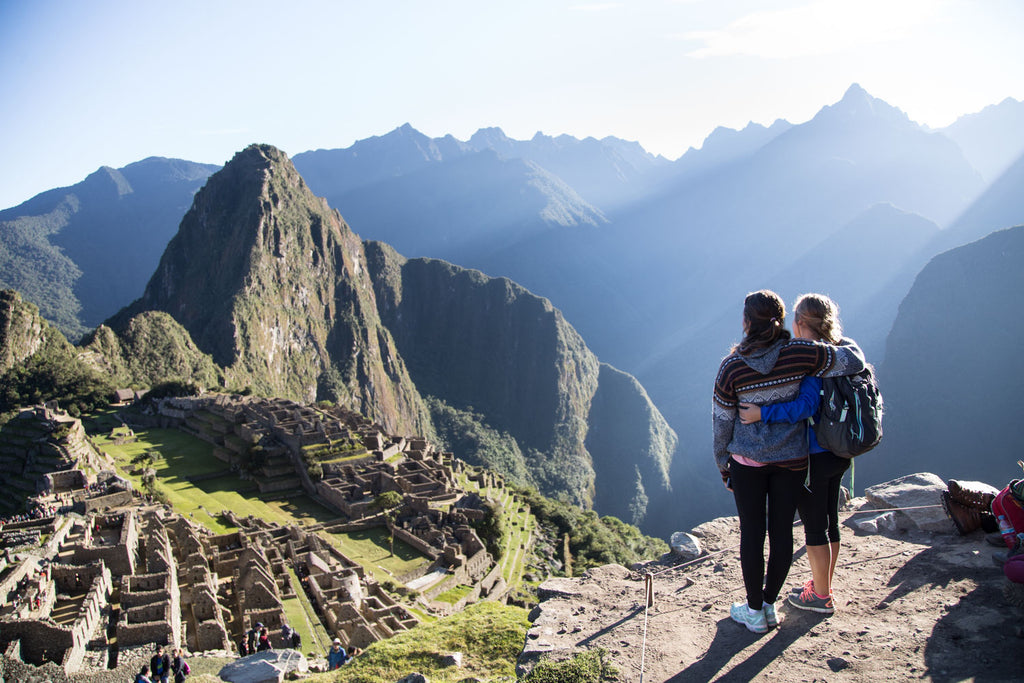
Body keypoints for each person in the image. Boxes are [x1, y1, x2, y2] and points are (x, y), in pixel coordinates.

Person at [713, 290, 864, 634]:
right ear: (781, 321)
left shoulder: (731, 367)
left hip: (747, 461)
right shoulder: (800, 353)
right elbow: (853, 361)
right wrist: (840, 339)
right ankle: (768, 605)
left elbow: (721, 423)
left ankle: (754, 611)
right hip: (792, 459)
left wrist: (724, 465)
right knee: (782, 532)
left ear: (746, 322)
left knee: (752, 534)